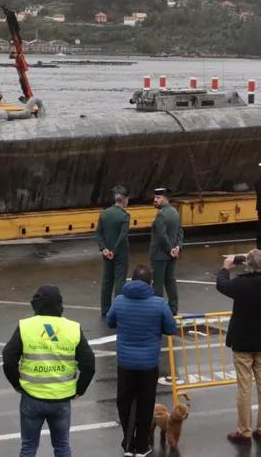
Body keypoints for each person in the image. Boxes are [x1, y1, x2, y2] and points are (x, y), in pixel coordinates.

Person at [3, 285, 96, 457]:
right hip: (61, 398)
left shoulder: (26, 326)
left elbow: (8, 358)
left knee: (28, 447)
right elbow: (89, 363)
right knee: (62, 447)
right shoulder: (72, 327)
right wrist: (79, 390)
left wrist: (17, 384)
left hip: (32, 396)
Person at [107, 265, 177, 457]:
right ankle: (142, 445)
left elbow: (110, 322)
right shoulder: (158, 303)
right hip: (148, 363)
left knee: (125, 402)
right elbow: (171, 328)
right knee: (146, 404)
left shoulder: (120, 300)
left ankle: (128, 443)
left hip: (126, 363)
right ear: (150, 283)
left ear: (131, 280)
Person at [216, 249, 261, 445]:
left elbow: (222, 285)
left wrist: (225, 267)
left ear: (248, 266)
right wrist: (251, 262)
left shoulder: (241, 284)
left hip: (243, 341)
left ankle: (244, 431)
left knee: (244, 387)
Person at [95, 185, 131, 316]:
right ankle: (118, 310)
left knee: (107, 281)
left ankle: (105, 309)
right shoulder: (125, 216)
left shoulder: (104, 213)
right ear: (123, 200)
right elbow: (122, 236)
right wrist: (114, 251)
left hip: (106, 253)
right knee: (119, 281)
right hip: (120, 254)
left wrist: (104, 249)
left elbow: (98, 234)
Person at [149, 187, 183, 315]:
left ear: (165, 198)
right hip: (172, 254)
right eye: (155, 197)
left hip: (160, 255)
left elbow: (162, 236)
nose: (155, 200)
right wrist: (177, 247)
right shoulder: (174, 212)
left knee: (157, 284)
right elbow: (180, 232)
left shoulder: (161, 214)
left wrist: (170, 249)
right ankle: (173, 308)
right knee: (170, 281)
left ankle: (158, 311)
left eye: (158, 198)